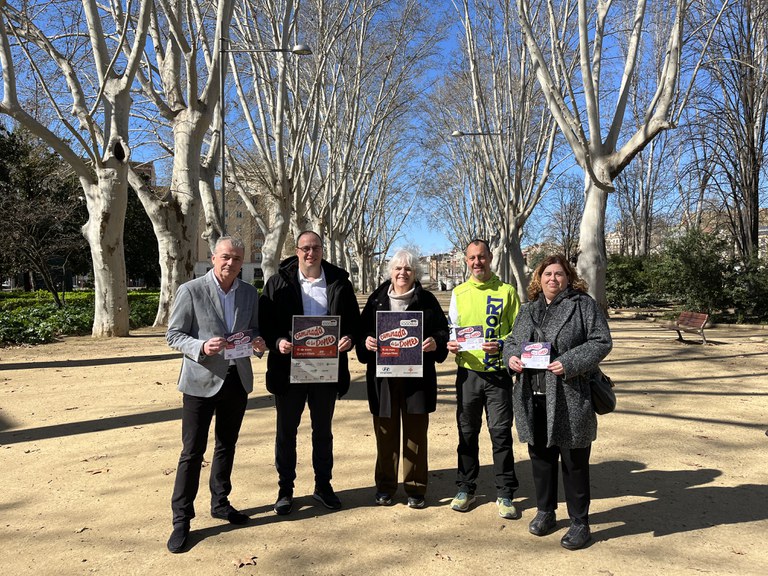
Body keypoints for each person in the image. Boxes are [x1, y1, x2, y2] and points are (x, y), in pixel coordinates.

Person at [165, 236, 266, 554]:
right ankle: (182, 519)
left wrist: (259, 343)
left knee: (226, 446)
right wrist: (200, 346)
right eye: (225, 257)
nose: (231, 263)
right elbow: (174, 335)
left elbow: (253, 330)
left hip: (237, 380)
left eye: (237, 258)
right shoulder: (191, 290)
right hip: (200, 382)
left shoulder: (249, 293)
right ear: (213, 258)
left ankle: (220, 503)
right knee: (192, 452)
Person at [504, 254, 612, 550]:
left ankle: (580, 523)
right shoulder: (528, 309)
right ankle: (545, 511)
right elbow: (512, 342)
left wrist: (570, 362)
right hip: (532, 395)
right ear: (538, 279)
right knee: (540, 458)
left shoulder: (583, 305)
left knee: (574, 461)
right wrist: (510, 358)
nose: (553, 279)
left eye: (559, 274)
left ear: (568, 277)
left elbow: (601, 341)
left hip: (569, 396)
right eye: (547, 274)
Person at [259, 230, 360, 515]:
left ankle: (323, 486)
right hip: (288, 370)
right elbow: (265, 323)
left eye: (315, 247)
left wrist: (349, 338)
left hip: (326, 370)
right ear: (297, 251)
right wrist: (278, 342)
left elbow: (353, 321)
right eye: (305, 248)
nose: (310, 253)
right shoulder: (277, 282)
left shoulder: (339, 282)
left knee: (323, 432)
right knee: (286, 432)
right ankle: (285, 490)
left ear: (322, 250)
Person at [356, 249, 449, 509]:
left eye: (408, 269)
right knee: (385, 435)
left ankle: (415, 488)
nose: (403, 273)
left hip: (416, 380)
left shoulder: (427, 300)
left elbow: (443, 332)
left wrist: (435, 342)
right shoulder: (376, 299)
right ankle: (385, 487)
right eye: (398, 268)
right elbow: (361, 333)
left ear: (415, 272)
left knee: (415, 436)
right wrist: (366, 342)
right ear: (391, 272)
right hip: (384, 380)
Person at [446, 239, 521, 519]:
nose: (477, 262)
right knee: (467, 433)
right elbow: (453, 329)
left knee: (500, 434)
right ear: (466, 261)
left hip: (498, 374)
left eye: (481, 257)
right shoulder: (459, 292)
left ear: (490, 258)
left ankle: (505, 493)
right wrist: (452, 344)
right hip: (468, 374)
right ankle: (465, 488)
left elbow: (518, 332)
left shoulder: (507, 291)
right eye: (472, 258)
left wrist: (501, 344)